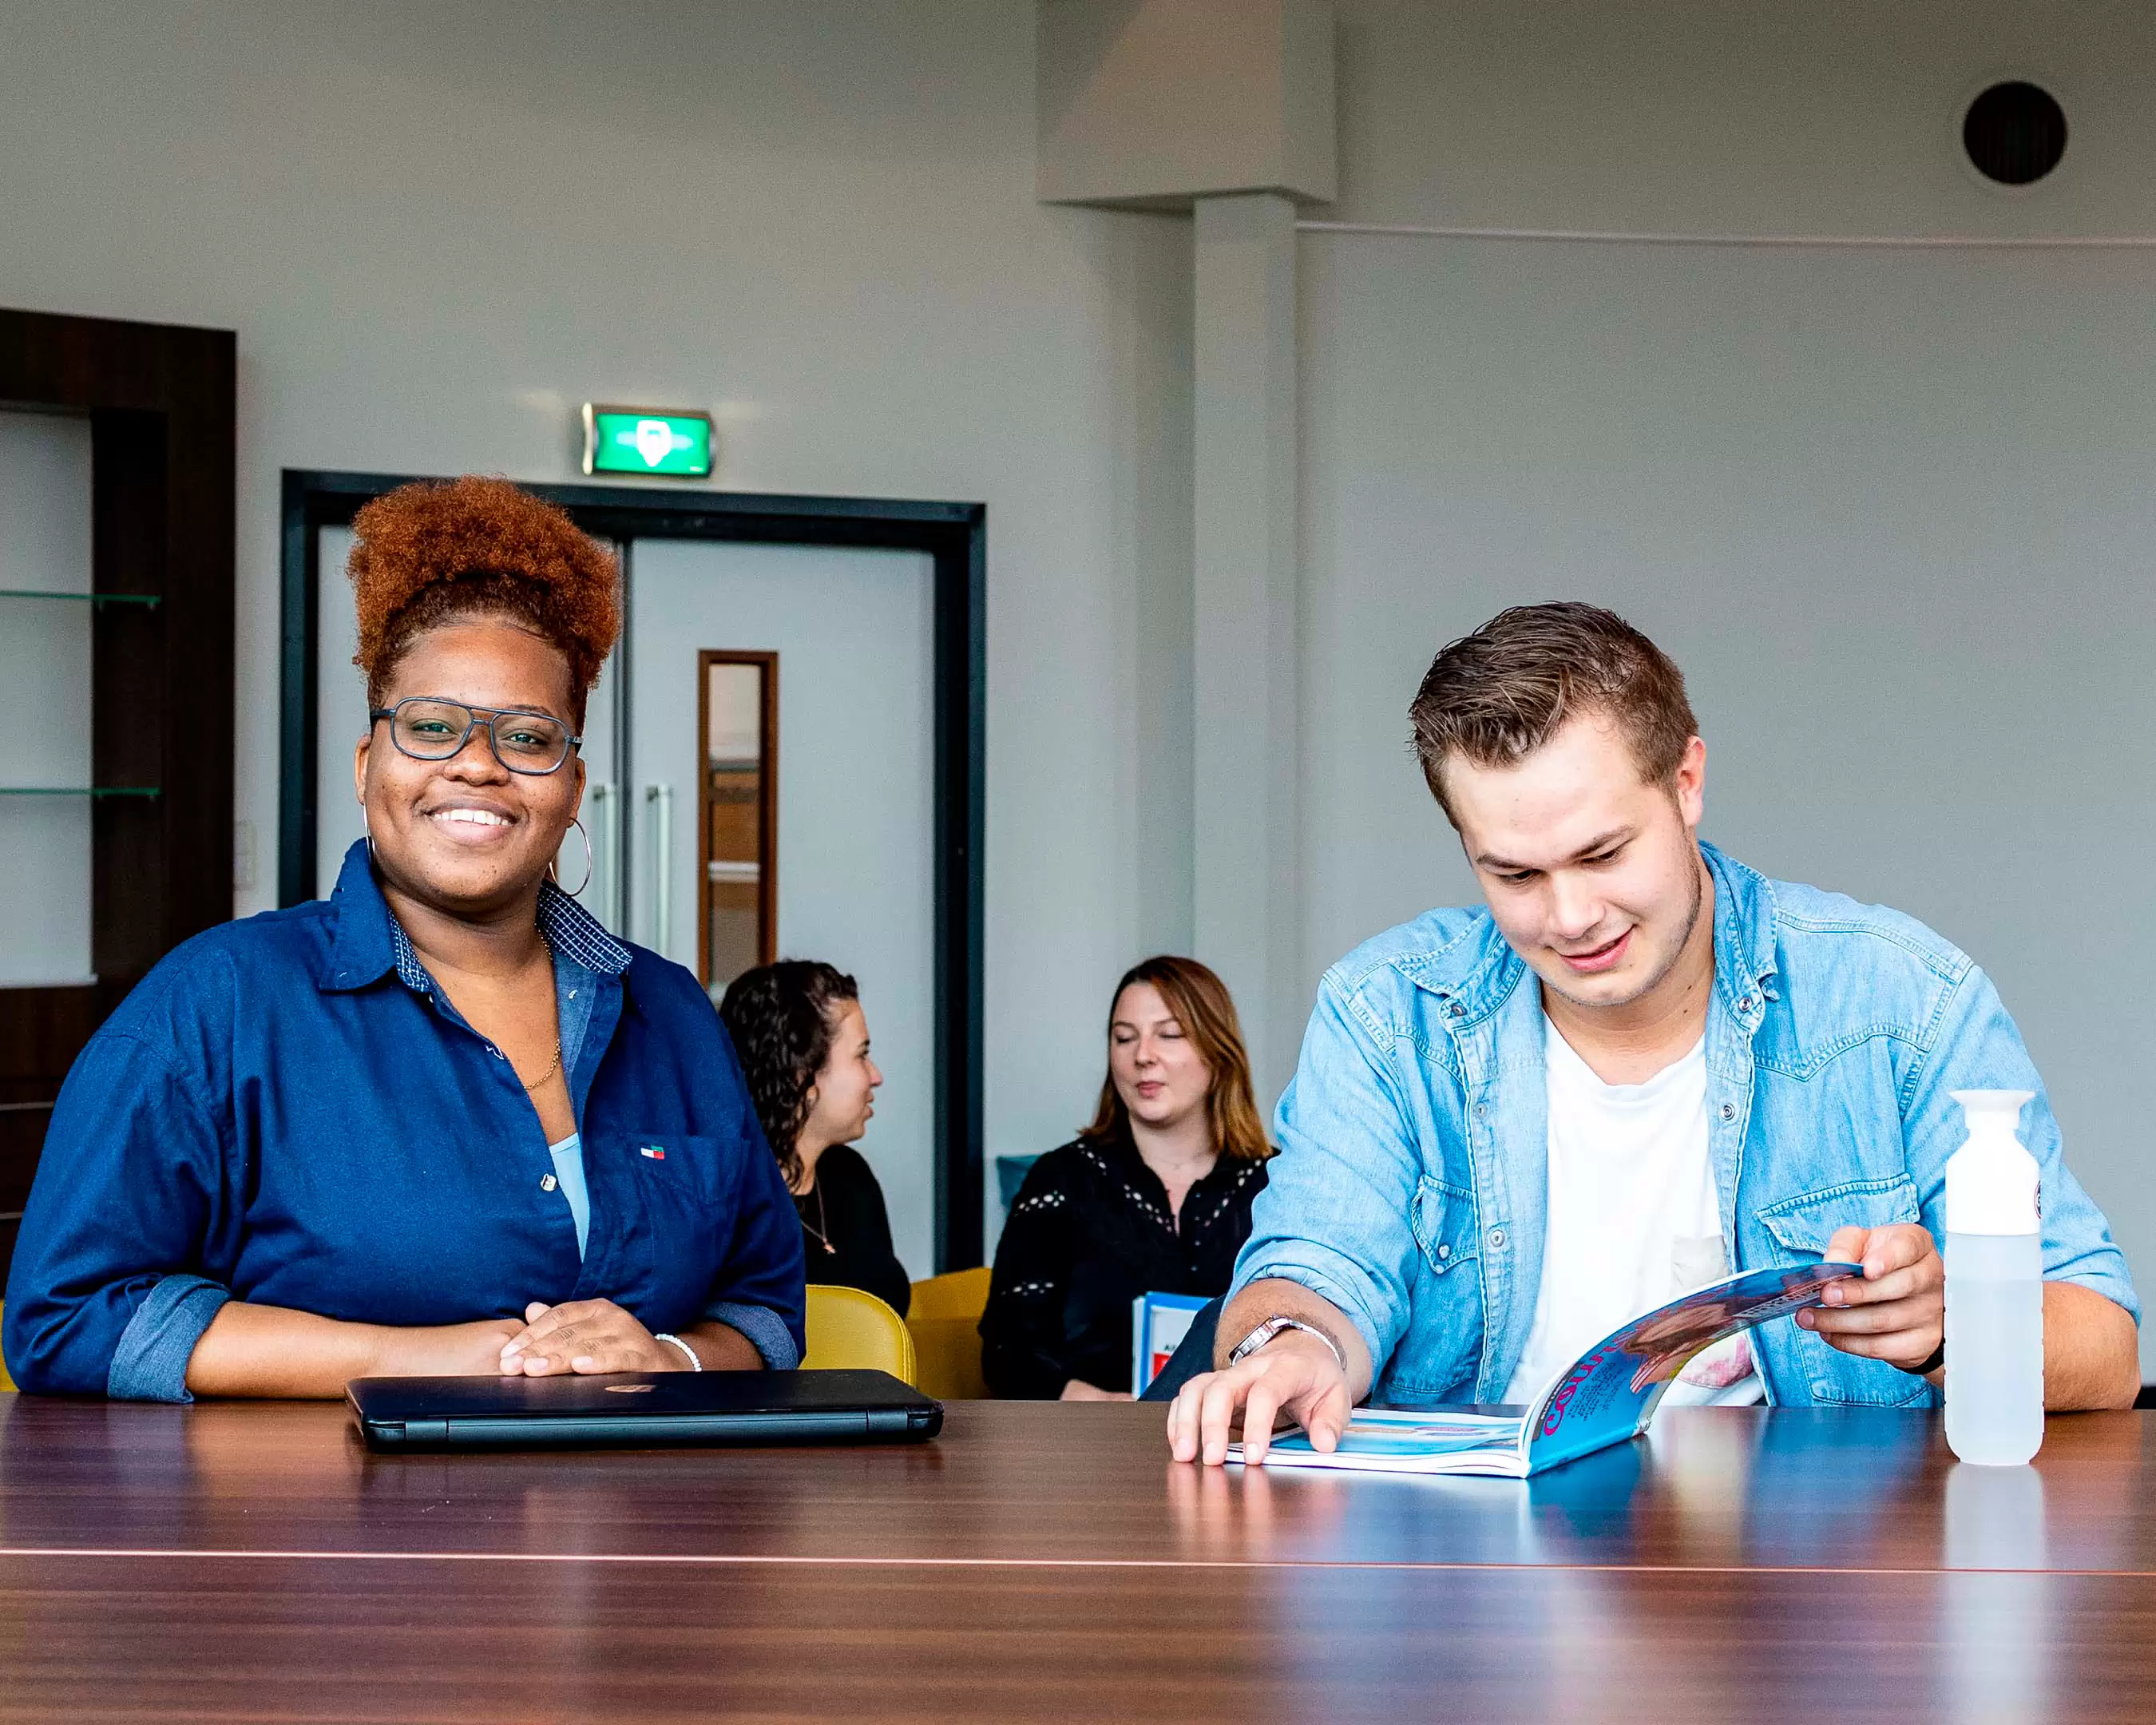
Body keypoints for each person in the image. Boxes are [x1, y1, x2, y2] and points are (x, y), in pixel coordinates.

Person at [1168, 602, 2140, 1465]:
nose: (1571, 916)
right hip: (1467, 1590)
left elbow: (2106, 1346)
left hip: (1817, 1596)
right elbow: (1315, 1261)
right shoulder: (1386, 1014)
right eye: (1514, 875)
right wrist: (1288, 1347)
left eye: (1602, 853)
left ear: (1686, 781)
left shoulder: (1901, 998)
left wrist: (1950, 1328)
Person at [3, 476, 805, 1398]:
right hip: (335, 1538)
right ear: (366, 764)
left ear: (574, 789)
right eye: (431, 727)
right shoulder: (216, 1006)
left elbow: (767, 1308)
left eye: (529, 738)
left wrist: (672, 1355)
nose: (477, 764)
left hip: (639, 1530)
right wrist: (405, 1358)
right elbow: (68, 1317)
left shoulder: (669, 1013)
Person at [984, 956, 1274, 1399]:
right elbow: (1008, 1353)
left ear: (1219, 1050)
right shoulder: (1059, 1182)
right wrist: (1100, 1406)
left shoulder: (1280, 1187)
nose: (1142, 1056)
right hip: (1091, 1451)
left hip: (1246, 1445)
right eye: (1124, 1038)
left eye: (1170, 1035)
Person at [717, 960, 911, 1316]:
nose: (876, 1076)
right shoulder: (728, 1199)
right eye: (862, 1055)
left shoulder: (851, 1177)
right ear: (801, 1074)